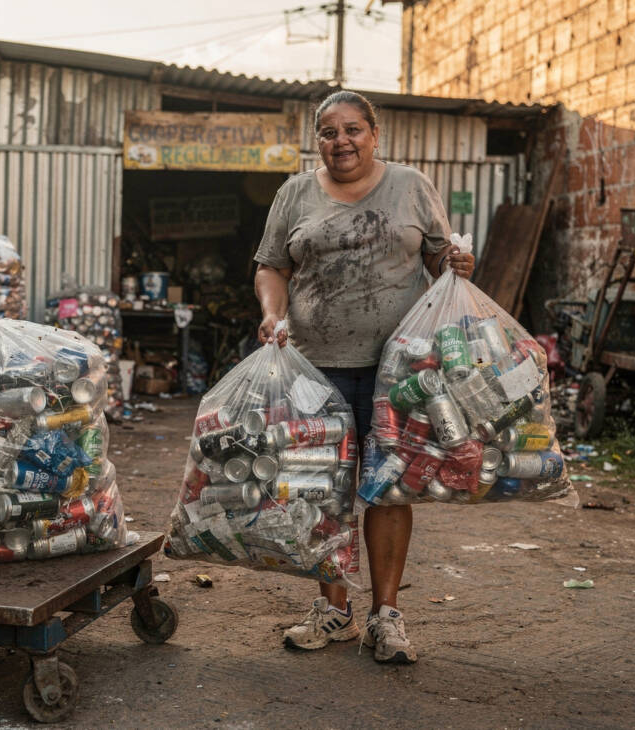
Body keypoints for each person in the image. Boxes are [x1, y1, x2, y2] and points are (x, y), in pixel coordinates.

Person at [253, 90, 474, 664]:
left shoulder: (410, 186)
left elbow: (438, 260)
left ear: (374, 134)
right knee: (321, 488)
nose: (341, 141)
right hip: (312, 365)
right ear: (317, 140)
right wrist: (272, 313)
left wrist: (458, 266)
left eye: (353, 130)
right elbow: (273, 265)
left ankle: (385, 616)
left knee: (389, 487)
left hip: (398, 370)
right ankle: (334, 612)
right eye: (329, 132)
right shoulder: (295, 192)